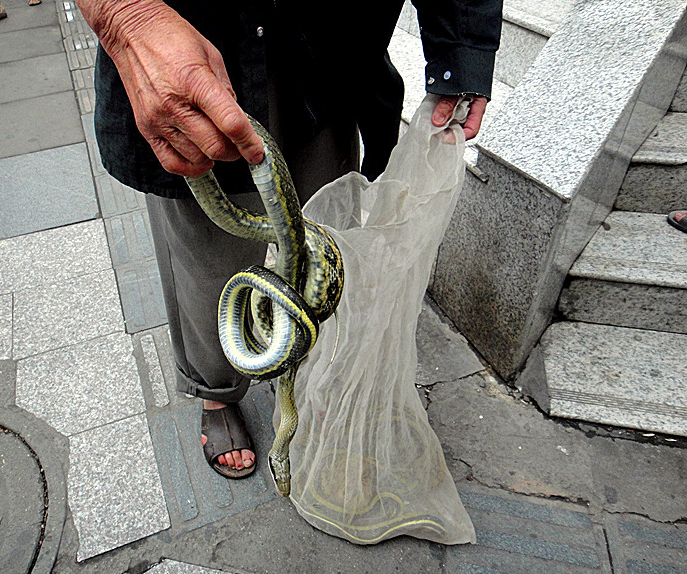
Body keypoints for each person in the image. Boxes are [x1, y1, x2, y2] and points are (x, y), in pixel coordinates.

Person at [76, 0, 502, 479]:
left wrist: (462, 48)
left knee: (324, 225)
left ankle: (307, 375)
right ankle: (217, 390)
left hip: (327, 48)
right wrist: (128, 19)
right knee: (208, 255)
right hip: (191, 40)